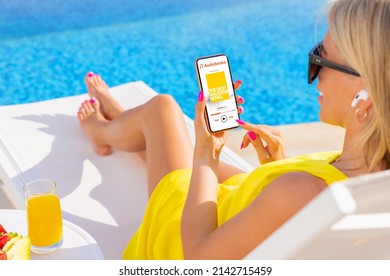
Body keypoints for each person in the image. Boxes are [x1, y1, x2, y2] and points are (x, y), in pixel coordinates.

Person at [77, 0, 390, 259]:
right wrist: (277, 167)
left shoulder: (298, 192)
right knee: (170, 134)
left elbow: (197, 261)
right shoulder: (371, 177)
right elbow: (290, 216)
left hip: (182, 236)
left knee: (163, 110)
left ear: (365, 94)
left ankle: (102, 132)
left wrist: (205, 157)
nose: (315, 72)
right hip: (243, 207)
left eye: (321, 57)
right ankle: (131, 124)